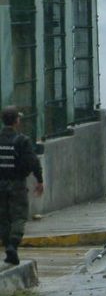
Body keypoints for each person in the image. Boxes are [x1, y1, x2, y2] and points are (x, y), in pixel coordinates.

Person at [0, 107, 44, 266]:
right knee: (19, 216)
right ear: (16, 121)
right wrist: (39, 180)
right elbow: (33, 161)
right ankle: (13, 244)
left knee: (4, 218)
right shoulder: (21, 140)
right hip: (17, 183)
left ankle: (9, 251)